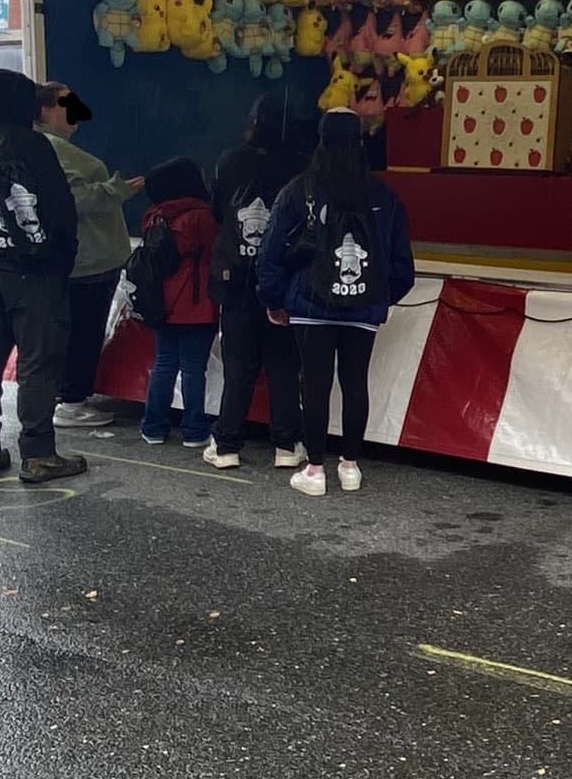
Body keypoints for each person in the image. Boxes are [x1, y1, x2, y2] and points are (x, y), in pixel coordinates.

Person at [256, 109, 415, 497]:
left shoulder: (300, 190)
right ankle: (350, 466)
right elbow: (401, 266)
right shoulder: (383, 195)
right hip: (363, 309)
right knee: (355, 382)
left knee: (315, 384)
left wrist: (274, 299)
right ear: (360, 141)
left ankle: (314, 470)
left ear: (321, 140)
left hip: (311, 306)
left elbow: (271, 252)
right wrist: (376, 295)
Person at [0, 66, 85, 483]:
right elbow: (60, 210)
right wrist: (61, 258)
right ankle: (39, 452)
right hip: (33, 269)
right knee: (39, 362)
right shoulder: (33, 145)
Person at [204, 93, 309, 472]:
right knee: (282, 365)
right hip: (280, 280)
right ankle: (286, 445)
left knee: (239, 365)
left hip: (234, 277)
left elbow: (217, 211)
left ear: (252, 121)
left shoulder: (229, 160)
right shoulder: (299, 166)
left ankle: (227, 444)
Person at [34, 80, 142, 429]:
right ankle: (72, 398)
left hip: (83, 258)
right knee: (83, 331)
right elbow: (74, 199)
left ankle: (64, 394)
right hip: (88, 260)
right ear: (46, 110)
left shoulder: (49, 147)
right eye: (66, 102)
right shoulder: (52, 149)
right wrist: (115, 190)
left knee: (74, 329)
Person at [137, 156, 220, 449]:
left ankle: (153, 426)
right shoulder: (202, 216)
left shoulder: (153, 216)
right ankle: (194, 430)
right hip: (197, 306)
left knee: (163, 364)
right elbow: (214, 253)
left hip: (161, 303)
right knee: (194, 368)